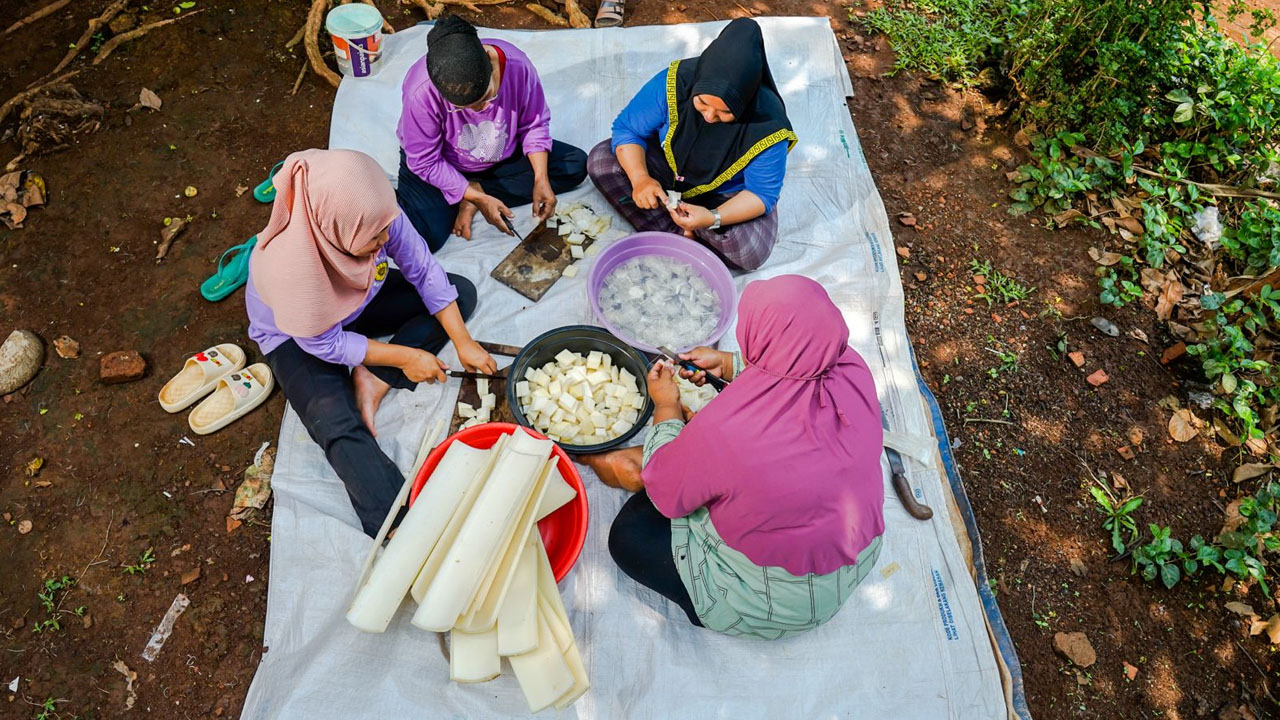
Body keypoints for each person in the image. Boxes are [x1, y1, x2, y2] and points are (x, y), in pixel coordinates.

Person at [581, 275, 884, 638]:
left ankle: (722, 604)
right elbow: (796, 366)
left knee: (631, 534)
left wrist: (667, 406)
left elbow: (666, 493)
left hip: (771, 603)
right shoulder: (852, 367)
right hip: (850, 560)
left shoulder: (728, 433)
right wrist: (727, 364)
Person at [245, 148, 497, 536]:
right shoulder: (292, 271)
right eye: (373, 238)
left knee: (457, 294)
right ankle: (398, 523)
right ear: (335, 234)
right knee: (335, 423)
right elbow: (324, 344)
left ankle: (372, 376)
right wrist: (405, 355)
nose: (385, 241)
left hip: (357, 300)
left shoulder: (375, 215)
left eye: (385, 229)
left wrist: (462, 341)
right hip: (299, 336)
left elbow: (422, 267)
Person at [587, 18, 796, 271]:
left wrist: (713, 218)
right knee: (600, 161)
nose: (709, 117)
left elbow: (761, 194)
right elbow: (628, 129)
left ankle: (684, 230)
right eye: (702, 104)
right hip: (669, 171)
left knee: (750, 250)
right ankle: (680, 232)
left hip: (725, 195)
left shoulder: (768, 126)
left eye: (724, 113)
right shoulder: (674, 83)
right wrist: (641, 178)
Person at [396, 15, 588, 251]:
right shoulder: (421, 92)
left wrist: (540, 178)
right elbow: (424, 160)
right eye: (463, 108)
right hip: (443, 163)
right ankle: (468, 193)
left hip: (500, 153)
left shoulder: (518, 67)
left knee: (575, 164)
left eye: (487, 97)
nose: (479, 110)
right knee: (424, 237)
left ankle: (477, 191)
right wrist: (472, 196)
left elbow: (534, 123)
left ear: (489, 61)